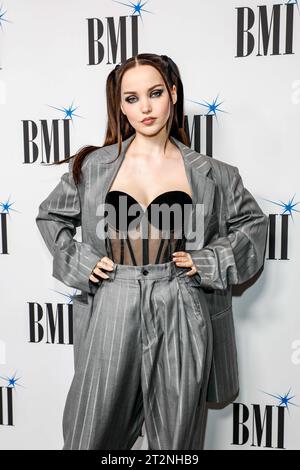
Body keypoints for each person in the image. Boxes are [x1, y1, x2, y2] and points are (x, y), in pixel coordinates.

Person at [35, 53, 269, 450]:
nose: (144, 107)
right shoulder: (92, 167)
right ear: (120, 105)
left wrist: (209, 261)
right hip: (113, 297)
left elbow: (254, 226)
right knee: (89, 434)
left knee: (175, 441)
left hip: (180, 301)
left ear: (173, 94)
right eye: (131, 98)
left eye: (155, 93)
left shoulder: (215, 173)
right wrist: (80, 261)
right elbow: (49, 217)